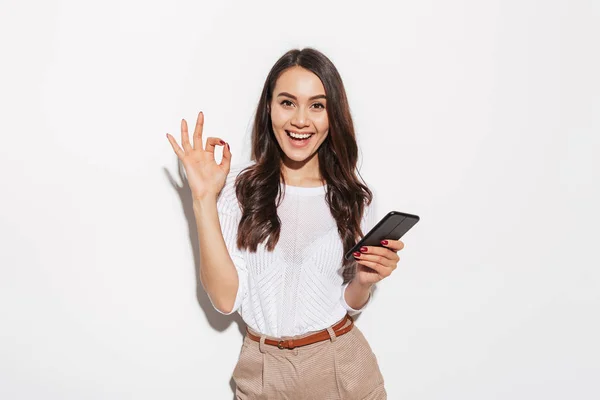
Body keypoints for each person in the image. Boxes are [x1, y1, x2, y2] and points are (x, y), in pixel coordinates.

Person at [166, 48, 404, 399]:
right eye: (288, 103)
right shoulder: (237, 190)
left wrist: (365, 282)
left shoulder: (356, 198)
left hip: (341, 367)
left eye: (317, 106)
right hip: (263, 373)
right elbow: (225, 299)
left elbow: (350, 302)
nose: (301, 121)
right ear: (269, 108)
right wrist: (203, 200)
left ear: (332, 115)